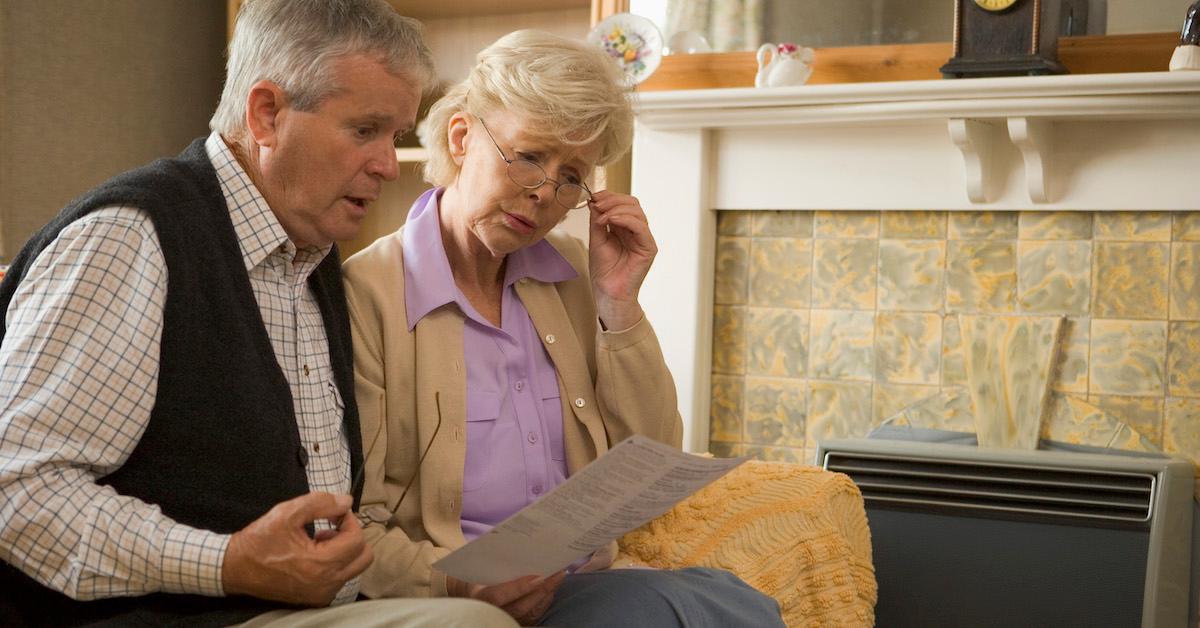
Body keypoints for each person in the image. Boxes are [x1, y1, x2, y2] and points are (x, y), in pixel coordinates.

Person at [0, 1, 516, 626]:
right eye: (364, 130)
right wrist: (227, 561)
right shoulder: (130, 238)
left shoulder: (311, 252)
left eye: (396, 137)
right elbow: (16, 493)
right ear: (266, 114)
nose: (387, 164)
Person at [342, 30, 785, 627]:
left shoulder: (574, 272)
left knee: (738, 602)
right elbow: (354, 526)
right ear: (462, 136)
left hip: (583, 583)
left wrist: (619, 304)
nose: (545, 192)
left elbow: (649, 457)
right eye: (528, 156)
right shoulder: (363, 296)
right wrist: (457, 582)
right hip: (454, 600)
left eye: (572, 175)